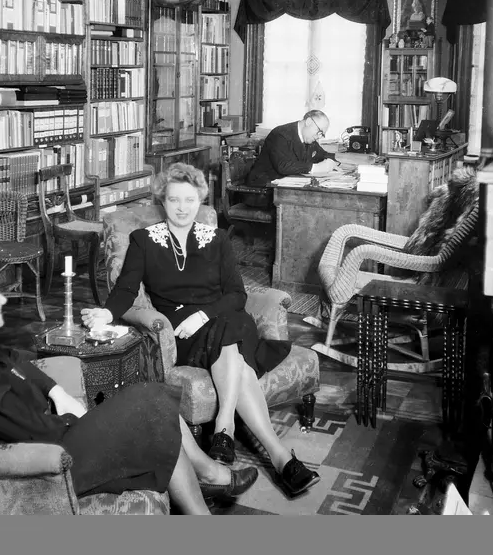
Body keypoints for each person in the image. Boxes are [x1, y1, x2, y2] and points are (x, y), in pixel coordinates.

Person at [0, 253, 258, 514]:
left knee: (150, 402)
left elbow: (17, 359)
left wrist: (57, 392)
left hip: (51, 436)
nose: (3, 300)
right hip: (46, 463)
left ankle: (207, 479)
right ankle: (208, 484)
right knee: (151, 402)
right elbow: (32, 435)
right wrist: (77, 418)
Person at [80, 164, 322, 498]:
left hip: (220, 319)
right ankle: (280, 457)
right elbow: (125, 290)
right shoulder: (143, 241)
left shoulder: (217, 240)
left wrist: (203, 315)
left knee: (232, 323)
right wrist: (106, 312)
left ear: (200, 200)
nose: (182, 207)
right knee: (236, 351)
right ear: (162, 201)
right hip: (182, 334)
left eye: (189, 200)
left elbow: (236, 295)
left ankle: (225, 425)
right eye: (174, 200)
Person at [246, 110, 339, 188]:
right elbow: (283, 166)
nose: (319, 137)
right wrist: (315, 168)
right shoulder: (280, 134)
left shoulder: (309, 138)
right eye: (320, 132)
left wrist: (333, 161)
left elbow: (323, 154)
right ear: (309, 122)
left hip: (286, 187)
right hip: (263, 188)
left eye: (322, 134)